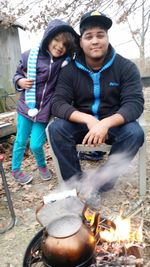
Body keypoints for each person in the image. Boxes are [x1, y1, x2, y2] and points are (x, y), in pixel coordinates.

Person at [47, 10, 144, 192]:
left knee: (134, 133)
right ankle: (77, 184)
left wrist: (105, 123)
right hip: (82, 124)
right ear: (81, 42)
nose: (95, 41)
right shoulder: (69, 71)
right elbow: (58, 103)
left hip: (114, 122)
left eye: (100, 35)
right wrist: (89, 120)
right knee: (56, 129)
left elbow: (134, 103)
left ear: (107, 38)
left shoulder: (126, 67)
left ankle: (101, 184)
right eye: (88, 36)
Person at [12, 19, 79, 185]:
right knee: (21, 140)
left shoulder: (63, 63)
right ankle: (15, 169)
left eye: (64, 44)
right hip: (26, 108)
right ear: (48, 38)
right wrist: (20, 81)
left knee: (35, 144)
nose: (59, 46)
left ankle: (41, 165)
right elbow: (17, 74)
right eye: (56, 40)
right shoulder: (30, 56)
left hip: (44, 112)